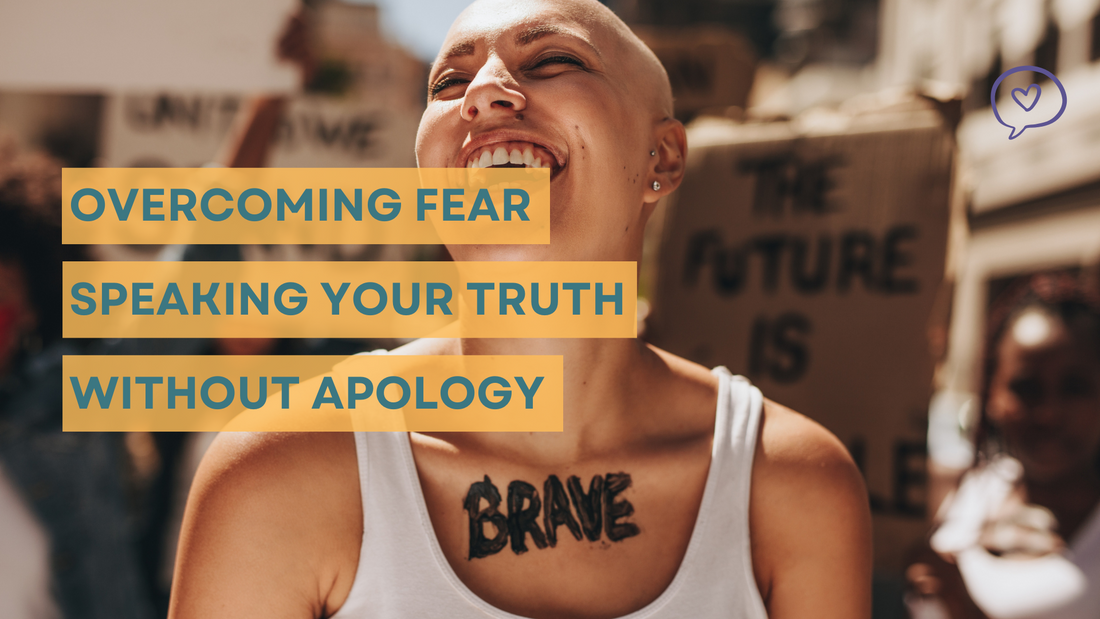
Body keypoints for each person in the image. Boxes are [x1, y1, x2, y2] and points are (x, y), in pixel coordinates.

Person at [168, 1, 872, 617]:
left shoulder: (792, 485)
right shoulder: (274, 474)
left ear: (662, 157)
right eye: (448, 81)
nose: (482, 94)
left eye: (554, 60)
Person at [906, 272, 1100, 618]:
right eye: (1026, 387)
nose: (1048, 414)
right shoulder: (965, 491)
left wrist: (963, 607)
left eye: (1074, 388)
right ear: (991, 393)